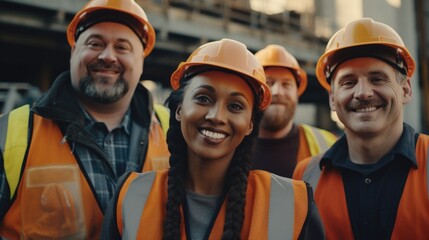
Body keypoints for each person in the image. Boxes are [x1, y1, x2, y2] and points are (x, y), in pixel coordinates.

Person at [101, 38, 325, 239]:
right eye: (203, 98)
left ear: (250, 125)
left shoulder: (295, 203)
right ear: (178, 110)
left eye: (235, 106)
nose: (217, 116)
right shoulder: (130, 194)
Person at [0, 0, 170, 239]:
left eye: (122, 47)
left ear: (141, 61)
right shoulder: (11, 135)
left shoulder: (176, 132)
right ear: (73, 52)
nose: (107, 56)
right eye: (95, 43)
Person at [293, 18, 429, 239]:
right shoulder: (306, 176)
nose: (363, 93)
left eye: (377, 79)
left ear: (405, 90)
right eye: (348, 82)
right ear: (333, 99)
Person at [251, 45, 337, 178]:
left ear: (297, 93)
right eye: (269, 83)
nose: (278, 92)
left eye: (286, 84)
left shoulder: (329, 144)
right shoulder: (229, 146)